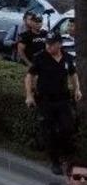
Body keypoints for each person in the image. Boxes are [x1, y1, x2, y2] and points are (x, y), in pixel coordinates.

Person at [25, 34, 82, 174]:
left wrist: (77, 89)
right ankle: (55, 161)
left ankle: (65, 155)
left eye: (51, 44)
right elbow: (29, 76)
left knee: (67, 128)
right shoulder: (40, 57)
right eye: (47, 44)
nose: (48, 46)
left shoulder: (67, 58)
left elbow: (73, 75)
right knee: (49, 131)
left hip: (63, 99)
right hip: (45, 100)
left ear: (59, 44)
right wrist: (29, 95)